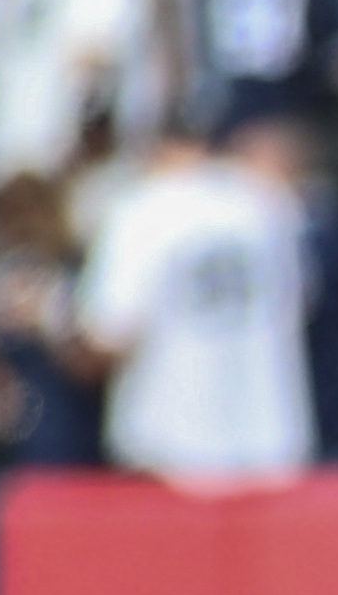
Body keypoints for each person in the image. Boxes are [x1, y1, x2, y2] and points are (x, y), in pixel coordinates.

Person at [76, 117, 314, 484]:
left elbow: (109, 335)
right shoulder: (268, 202)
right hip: (268, 445)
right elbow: (303, 303)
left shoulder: (143, 208)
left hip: (170, 452)